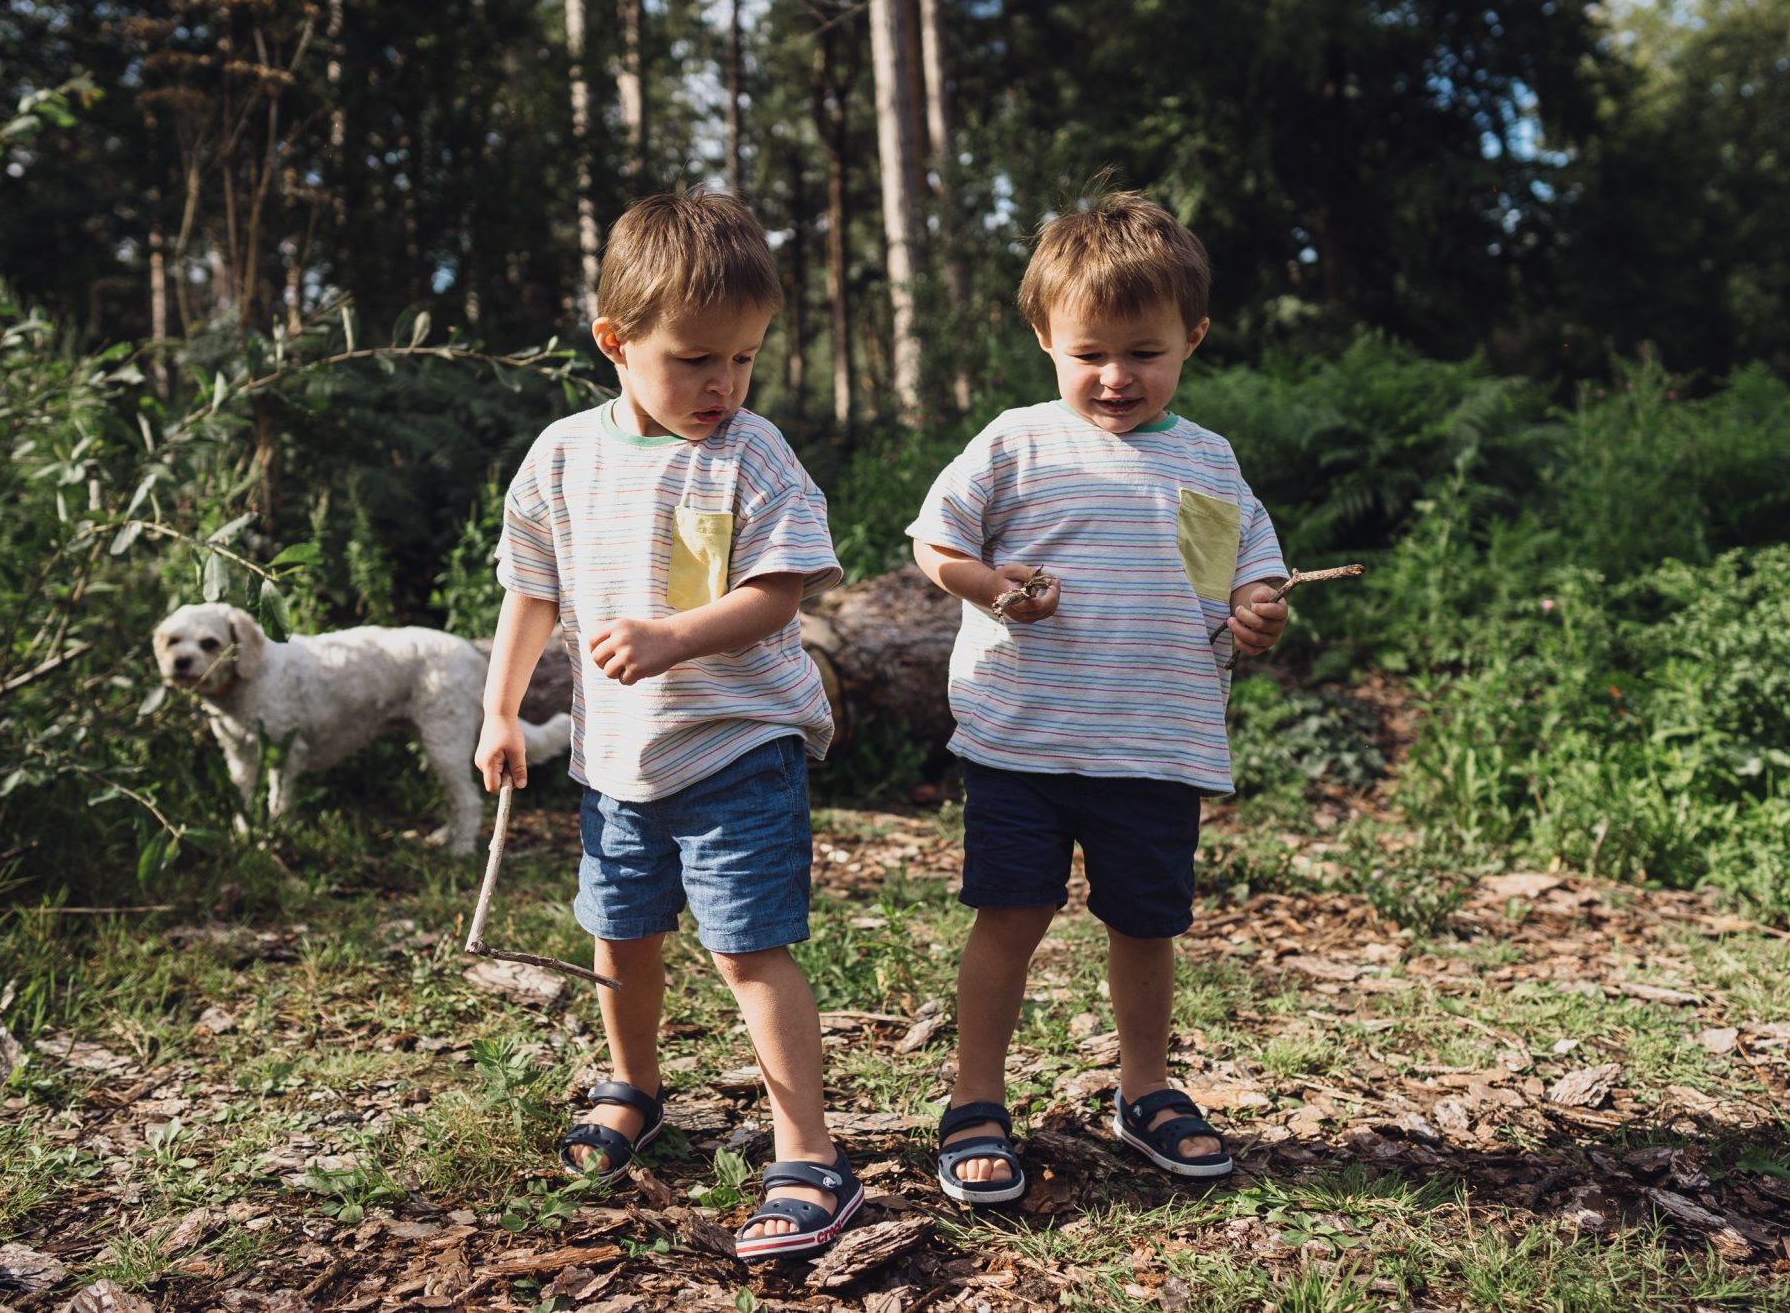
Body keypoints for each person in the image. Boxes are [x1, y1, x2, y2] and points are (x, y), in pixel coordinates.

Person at [474, 191, 861, 1263]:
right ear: (615, 342)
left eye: (742, 359)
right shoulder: (560, 457)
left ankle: (807, 1152)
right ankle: (632, 1087)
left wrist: (675, 637)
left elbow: (779, 597)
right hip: (616, 761)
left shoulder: (752, 452)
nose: (721, 385)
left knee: (748, 948)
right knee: (622, 932)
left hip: (738, 746)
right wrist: (501, 708)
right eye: (695, 359)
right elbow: (528, 595)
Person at [906, 190, 1290, 1204]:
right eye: (1090, 353)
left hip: (1152, 743)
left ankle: (1146, 1087)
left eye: (1143, 352)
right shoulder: (1016, 443)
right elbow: (934, 543)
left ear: (1191, 339)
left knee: (1143, 924)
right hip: (1023, 740)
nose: (1116, 376)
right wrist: (993, 588)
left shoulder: (1208, 462)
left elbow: (1241, 574)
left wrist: (1257, 608)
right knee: (1009, 915)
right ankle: (975, 1098)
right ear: (1044, 338)